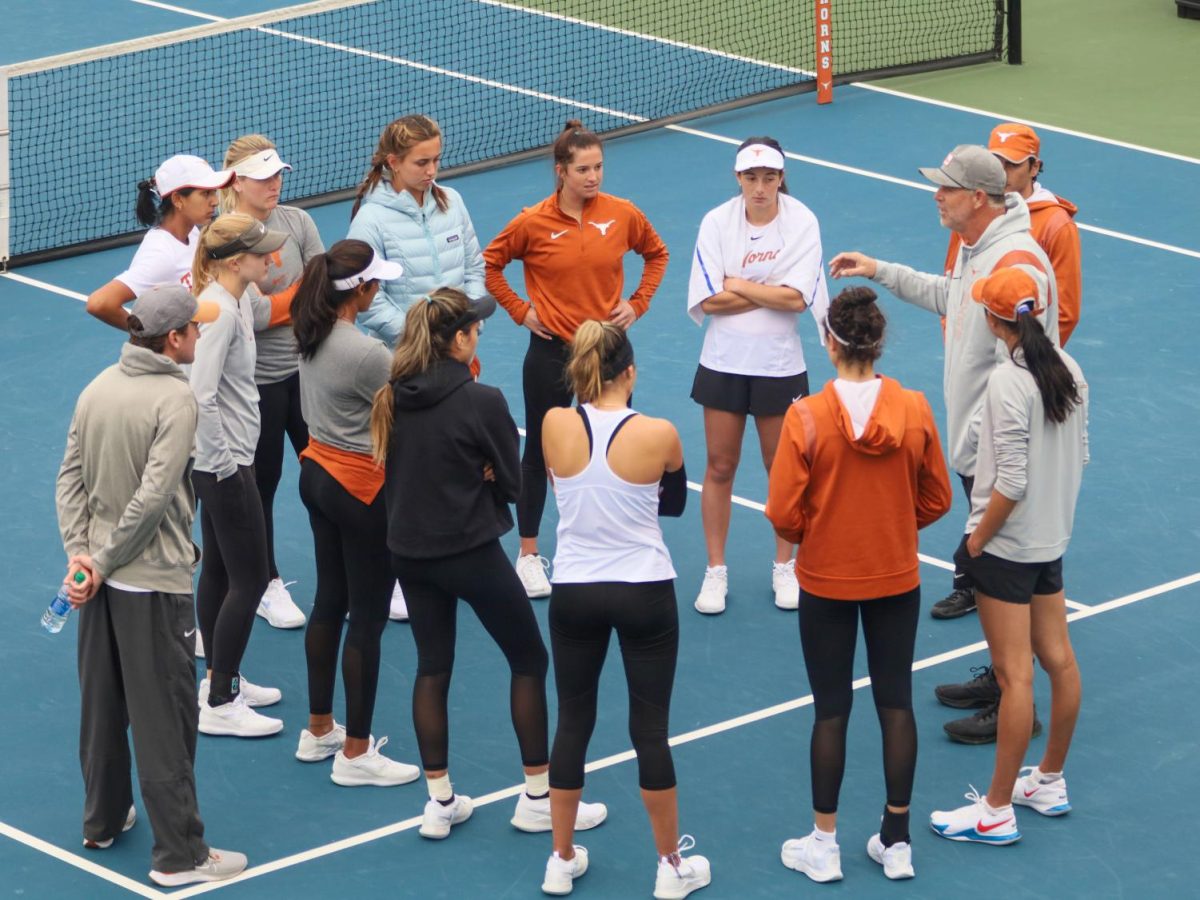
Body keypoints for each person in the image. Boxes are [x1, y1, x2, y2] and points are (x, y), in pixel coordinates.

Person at [830, 144, 1059, 745]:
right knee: (1000, 578)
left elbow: (1035, 361)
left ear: (977, 198)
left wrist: (990, 440)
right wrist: (879, 269)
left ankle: (1018, 698)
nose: (937, 195)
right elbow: (948, 297)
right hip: (981, 448)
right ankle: (1007, 678)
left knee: (1006, 575)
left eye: (947, 188)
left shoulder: (1018, 264)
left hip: (1002, 451)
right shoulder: (978, 250)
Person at [370, 288, 607, 841]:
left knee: (433, 667)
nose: (480, 331)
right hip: (469, 553)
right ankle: (537, 798)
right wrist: (483, 475)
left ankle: (440, 802)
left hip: (409, 553)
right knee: (528, 659)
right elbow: (510, 481)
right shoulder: (484, 401)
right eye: (474, 327)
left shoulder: (392, 396)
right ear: (457, 341)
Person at [55, 284, 247, 887]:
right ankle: (181, 856)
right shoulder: (176, 398)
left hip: (99, 584)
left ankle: (103, 820)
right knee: (166, 717)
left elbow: (70, 480)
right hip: (150, 583)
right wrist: (106, 562)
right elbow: (154, 498)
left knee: (104, 706)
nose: (199, 333)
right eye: (194, 327)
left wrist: (82, 559)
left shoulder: (96, 390)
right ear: (173, 340)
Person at [765, 287, 952, 884]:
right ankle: (896, 842)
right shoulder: (916, 408)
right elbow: (938, 497)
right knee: (896, 704)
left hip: (826, 582)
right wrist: (895, 524)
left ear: (829, 343)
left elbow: (783, 512)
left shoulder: (806, 417)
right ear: (878, 342)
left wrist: (820, 532)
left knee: (831, 712)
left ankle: (824, 843)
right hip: (897, 577)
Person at [538, 321, 708, 899]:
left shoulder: (554, 424)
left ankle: (560, 859)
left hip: (575, 592)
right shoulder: (659, 432)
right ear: (630, 372)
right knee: (650, 731)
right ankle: (669, 867)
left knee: (573, 721)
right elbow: (677, 504)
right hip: (644, 593)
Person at [929, 267, 1087, 846]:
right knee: (1059, 661)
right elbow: (1081, 457)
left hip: (1004, 547)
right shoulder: (1070, 369)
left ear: (997, 324)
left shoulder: (1005, 382)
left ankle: (995, 810)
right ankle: (1048, 779)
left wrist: (975, 542)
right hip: (1049, 543)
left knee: (1013, 675)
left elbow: (1011, 482)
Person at [484, 119, 669, 599]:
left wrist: (639, 302)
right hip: (551, 351)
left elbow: (657, 254)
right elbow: (491, 265)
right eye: (583, 169)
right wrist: (522, 311)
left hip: (605, 350)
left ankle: (626, 540)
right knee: (539, 452)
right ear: (560, 171)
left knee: (617, 443)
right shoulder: (532, 222)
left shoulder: (622, 214)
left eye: (599, 167)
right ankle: (528, 555)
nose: (594, 177)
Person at [289, 239, 421, 785]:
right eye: (375, 283)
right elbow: (415, 400)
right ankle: (356, 754)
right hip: (361, 490)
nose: (380, 290)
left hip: (317, 476)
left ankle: (319, 729)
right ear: (360, 291)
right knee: (366, 618)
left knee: (329, 601)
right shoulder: (365, 354)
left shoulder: (311, 332)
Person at [348, 113, 489, 622]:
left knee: (455, 462)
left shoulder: (453, 203)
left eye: (436, 160)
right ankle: (399, 576)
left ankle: (452, 558)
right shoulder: (371, 220)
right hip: (405, 364)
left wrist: (464, 323)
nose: (432, 171)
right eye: (421, 162)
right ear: (393, 163)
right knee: (403, 473)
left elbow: (474, 268)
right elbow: (370, 299)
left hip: (456, 357)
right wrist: (421, 339)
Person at [687, 136, 830, 615]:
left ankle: (785, 565)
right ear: (738, 179)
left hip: (779, 366)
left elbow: (798, 299)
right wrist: (774, 286)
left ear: (781, 178)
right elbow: (708, 302)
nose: (761, 187)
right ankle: (715, 571)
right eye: (752, 177)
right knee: (720, 467)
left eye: (769, 177)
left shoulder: (802, 221)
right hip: (724, 363)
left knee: (783, 473)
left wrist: (740, 284)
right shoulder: (715, 222)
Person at [189, 213, 294, 738]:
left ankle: (219, 677)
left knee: (222, 571)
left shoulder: (229, 302)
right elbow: (200, 395)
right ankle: (220, 699)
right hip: (226, 462)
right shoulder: (222, 313)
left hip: (227, 458)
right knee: (250, 577)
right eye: (261, 253)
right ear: (235, 261)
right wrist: (226, 465)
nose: (271, 259)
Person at [222, 134, 325, 630]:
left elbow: (321, 290)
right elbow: (257, 316)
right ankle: (267, 582)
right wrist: (295, 299)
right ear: (237, 182)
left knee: (329, 473)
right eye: (264, 177)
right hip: (254, 387)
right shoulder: (224, 236)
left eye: (278, 174)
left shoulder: (298, 221)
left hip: (306, 373)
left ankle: (348, 564)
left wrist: (288, 302)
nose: (275, 184)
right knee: (262, 485)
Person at [942, 123, 1082, 352]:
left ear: (1034, 167)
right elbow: (953, 284)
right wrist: (957, 345)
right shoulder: (971, 210)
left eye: (1012, 164)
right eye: (996, 162)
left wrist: (1022, 358)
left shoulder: (1057, 226)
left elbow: (1064, 313)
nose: (1002, 171)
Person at [85, 156, 234, 329]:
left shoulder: (192, 231)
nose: (215, 201)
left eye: (214, 192)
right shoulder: (160, 255)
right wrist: (150, 335)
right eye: (205, 193)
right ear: (178, 200)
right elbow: (99, 303)